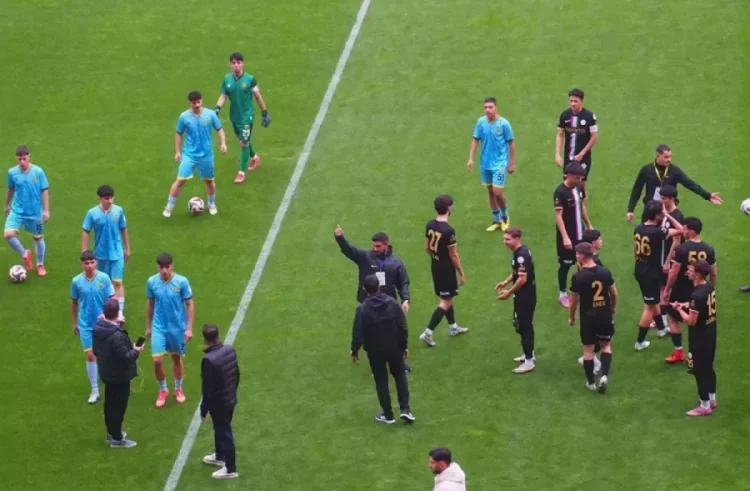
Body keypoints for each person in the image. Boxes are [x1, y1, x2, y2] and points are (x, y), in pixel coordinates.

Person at [335, 226, 412, 371]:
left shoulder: (396, 262)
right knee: (372, 334)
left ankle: (400, 362)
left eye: (378, 246)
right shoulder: (365, 257)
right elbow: (349, 250)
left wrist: (405, 299)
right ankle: (377, 365)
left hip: (388, 304)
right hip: (369, 303)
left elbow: (403, 282)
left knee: (394, 332)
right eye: (374, 246)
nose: (375, 249)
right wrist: (340, 238)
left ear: (386, 245)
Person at [350, 274, 414, 424]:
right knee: (400, 377)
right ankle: (405, 410)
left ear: (364, 289)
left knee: (381, 380)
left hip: (375, 350)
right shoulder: (392, 303)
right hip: (394, 347)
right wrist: (404, 345)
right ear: (379, 286)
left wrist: (354, 350)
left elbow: (358, 333)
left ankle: (388, 414)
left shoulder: (362, 309)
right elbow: (402, 326)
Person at [163, 91, 227, 218]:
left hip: (206, 155)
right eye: (194, 103)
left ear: (201, 101)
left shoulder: (210, 114)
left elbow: (219, 129)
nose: (197, 105)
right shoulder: (184, 117)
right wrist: (177, 151)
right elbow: (179, 133)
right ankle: (169, 207)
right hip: (189, 155)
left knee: (209, 181)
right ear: (190, 103)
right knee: (180, 180)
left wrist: (223, 143)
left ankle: (211, 204)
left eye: (199, 102)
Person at [662, 217, 716, 364]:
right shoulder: (709, 249)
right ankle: (694, 353)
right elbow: (713, 273)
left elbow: (674, 272)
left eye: (685, 228)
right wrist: (709, 289)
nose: (683, 231)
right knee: (697, 319)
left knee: (673, 317)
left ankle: (679, 351)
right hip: (701, 288)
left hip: (681, 287)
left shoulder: (682, 249)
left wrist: (667, 289)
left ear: (691, 231)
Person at [146, 252, 194, 408]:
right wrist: (148, 326)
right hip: (159, 327)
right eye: (161, 267)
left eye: (167, 267)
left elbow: (189, 304)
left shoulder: (182, 282)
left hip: (177, 328)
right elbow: (150, 304)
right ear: (158, 267)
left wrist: (189, 328)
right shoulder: (152, 282)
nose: (164, 271)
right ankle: (163, 390)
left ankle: (178, 388)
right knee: (157, 361)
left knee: (176, 358)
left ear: (172, 266)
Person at [419, 195, 468, 348]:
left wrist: (436, 257)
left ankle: (453, 327)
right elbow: (453, 255)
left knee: (447, 296)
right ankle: (428, 332)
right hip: (446, 269)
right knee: (445, 301)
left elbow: (427, 247)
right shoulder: (448, 231)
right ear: (448, 208)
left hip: (435, 265)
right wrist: (461, 273)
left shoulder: (430, 224)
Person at [93, 298, 143, 448]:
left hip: (107, 373)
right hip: (119, 377)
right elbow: (127, 357)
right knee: (118, 407)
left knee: (109, 405)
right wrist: (136, 350)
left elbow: (96, 350)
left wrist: (116, 323)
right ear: (117, 313)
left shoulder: (98, 328)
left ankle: (111, 433)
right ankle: (116, 438)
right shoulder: (117, 336)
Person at [633, 201, 683, 350]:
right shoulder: (657, 232)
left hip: (640, 268)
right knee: (648, 307)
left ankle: (661, 329)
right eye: (661, 213)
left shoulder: (639, 227)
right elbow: (680, 229)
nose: (663, 215)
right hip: (650, 273)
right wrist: (669, 215)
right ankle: (640, 342)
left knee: (654, 301)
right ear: (656, 215)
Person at [626, 144, 722, 221]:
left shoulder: (675, 171)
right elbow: (637, 189)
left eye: (670, 157)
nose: (669, 159)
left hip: (669, 211)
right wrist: (630, 210)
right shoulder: (646, 170)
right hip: (651, 209)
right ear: (658, 156)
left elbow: (690, 184)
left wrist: (707, 195)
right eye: (666, 157)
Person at [215, 52, 271, 184]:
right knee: (243, 140)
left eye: (239, 63)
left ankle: (241, 172)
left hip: (247, 118)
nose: (236, 65)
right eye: (234, 63)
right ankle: (254, 157)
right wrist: (217, 108)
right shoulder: (227, 79)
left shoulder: (250, 79)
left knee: (244, 143)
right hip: (235, 117)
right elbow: (223, 95)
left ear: (243, 64)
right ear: (230, 64)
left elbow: (257, 96)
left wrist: (264, 112)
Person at [569, 243, 618, 393]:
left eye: (577, 254)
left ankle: (591, 383)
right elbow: (614, 293)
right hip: (604, 314)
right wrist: (613, 307)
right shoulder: (605, 271)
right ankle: (604, 376)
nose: (576, 256)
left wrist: (571, 317)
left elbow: (574, 300)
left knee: (588, 350)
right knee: (606, 346)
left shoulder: (578, 276)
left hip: (588, 317)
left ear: (582, 256)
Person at [670, 260, 717, 416]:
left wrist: (679, 310)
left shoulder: (696, 295)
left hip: (700, 337)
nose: (687, 272)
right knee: (709, 366)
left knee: (699, 370)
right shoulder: (709, 286)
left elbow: (691, 321)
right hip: (711, 332)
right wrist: (687, 305)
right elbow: (702, 306)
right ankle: (712, 398)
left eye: (690, 270)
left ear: (697, 274)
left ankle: (704, 406)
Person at [71, 250, 116, 403]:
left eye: (92, 262)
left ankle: (108, 375)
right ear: (81, 264)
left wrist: (112, 316)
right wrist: (75, 322)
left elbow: (112, 298)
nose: (89, 266)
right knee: (90, 355)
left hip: (103, 323)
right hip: (85, 324)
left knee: (105, 353)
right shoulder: (76, 281)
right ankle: (95, 390)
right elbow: (74, 302)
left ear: (96, 262)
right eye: (86, 263)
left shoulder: (104, 278)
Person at [466, 97, 516, 232]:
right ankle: (496, 220)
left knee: (497, 192)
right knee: (490, 191)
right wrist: (471, 158)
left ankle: (505, 216)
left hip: (500, 164)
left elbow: (511, 143)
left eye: (490, 107)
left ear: (496, 108)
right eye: (485, 107)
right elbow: (475, 139)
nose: (487, 110)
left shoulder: (504, 124)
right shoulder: (481, 122)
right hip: (485, 163)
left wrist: (512, 163)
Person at [82, 185, 130, 318]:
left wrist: (127, 248)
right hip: (101, 254)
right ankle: (106, 311)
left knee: (117, 282)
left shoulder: (118, 211)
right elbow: (86, 231)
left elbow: (123, 229)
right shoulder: (92, 213)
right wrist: (84, 252)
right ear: (100, 199)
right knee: (103, 284)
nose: (110, 201)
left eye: (111, 198)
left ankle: (119, 313)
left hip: (117, 253)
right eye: (107, 198)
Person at [200, 324, 240, 480]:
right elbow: (236, 374)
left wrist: (203, 409)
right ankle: (220, 455)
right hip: (230, 398)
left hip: (220, 403)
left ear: (205, 339)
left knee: (224, 432)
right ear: (218, 335)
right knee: (220, 428)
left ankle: (230, 468)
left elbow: (207, 389)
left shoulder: (208, 360)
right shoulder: (230, 350)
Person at [496, 226, 537, 373]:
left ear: (517, 239)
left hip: (525, 296)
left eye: (508, 239)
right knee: (521, 325)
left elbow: (522, 279)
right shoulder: (520, 252)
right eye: (504, 239)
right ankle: (529, 354)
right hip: (524, 295)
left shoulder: (521, 255)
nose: (505, 242)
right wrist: (506, 282)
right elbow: (517, 273)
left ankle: (529, 362)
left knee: (524, 326)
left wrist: (509, 292)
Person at [4, 145, 50, 276]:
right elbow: (11, 189)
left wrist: (46, 210)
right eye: (20, 159)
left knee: (38, 238)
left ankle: (40, 264)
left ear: (29, 157)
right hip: (17, 211)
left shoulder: (38, 172)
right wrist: (6, 205)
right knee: (8, 235)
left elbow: (44, 191)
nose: (22, 162)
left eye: (24, 159)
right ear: (16, 159)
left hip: (35, 213)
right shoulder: (12, 172)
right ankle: (25, 254)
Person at [553, 163, 593, 308]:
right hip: (568, 236)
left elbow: (581, 207)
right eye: (577, 177)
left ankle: (581, 289)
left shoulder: (579, 187)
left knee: (583, 262)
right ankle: (562, 293)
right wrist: (565, 237)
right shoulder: (560, 192)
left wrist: (589, 225)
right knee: (565, 265)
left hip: (580, 234)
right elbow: (558, 216)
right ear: (569, 175)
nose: (579, 180)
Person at [555, 88, 599, 195]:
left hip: (583, 159)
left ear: (581, 101)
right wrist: (557, 154)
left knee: (581, 188)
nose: (573, 104)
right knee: (567, 185)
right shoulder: (565, 115)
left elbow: (594, 137)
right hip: (568, 158)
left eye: (575, 101)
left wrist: (582, 153)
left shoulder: (589, 117)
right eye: (571, 101)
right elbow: (560, 134)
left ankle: (582, 206)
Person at [655, 185, 685, 330]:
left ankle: (665, 321)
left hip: (670, 258)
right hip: (662, 255)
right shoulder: (664, 213)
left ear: (672, 199)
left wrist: (667, 263)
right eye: (660, 197)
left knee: (666, 290)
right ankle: (663, 319)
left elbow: (677, 242)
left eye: (664, 198)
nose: (661, 200)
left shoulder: (677, 216)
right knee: (662, 289)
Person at [576, 229, 604, 370]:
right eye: (599, 239)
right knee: (599, 334)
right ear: (593, 244)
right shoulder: (595, 262)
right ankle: (592, 360)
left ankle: (590, 357)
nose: (601, 241)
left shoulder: (583, 259)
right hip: (596, 302)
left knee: (592, 333)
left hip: (587, 300)